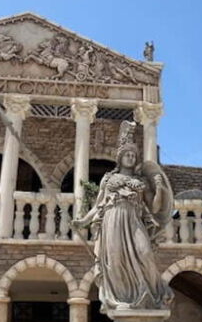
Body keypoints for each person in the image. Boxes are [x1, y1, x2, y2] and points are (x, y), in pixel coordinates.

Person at [72, 121, 173, 312]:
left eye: (133, 155)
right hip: (113, 220)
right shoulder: (108, 179)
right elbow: (98, 205)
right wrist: (83, 221)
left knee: (145, 254)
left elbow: (153, 206)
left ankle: (152, 295)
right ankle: (123, 299)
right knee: (115, 261)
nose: (130, 157)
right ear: (120, 158)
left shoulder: (141, 181)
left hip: (133, 220)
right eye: (127, 154)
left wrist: (159, 188)